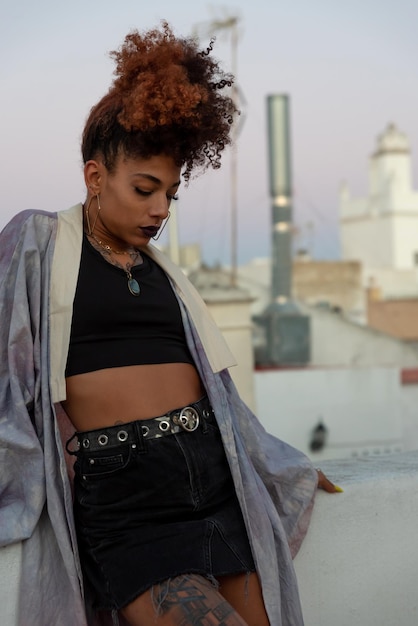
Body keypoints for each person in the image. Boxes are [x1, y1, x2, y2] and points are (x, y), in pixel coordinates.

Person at [0, 22, 339, 626]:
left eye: (170, 194)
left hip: (212, 479)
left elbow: (220, 392)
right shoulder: (38, 243)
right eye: (144, 188)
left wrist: (276, 463)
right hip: (127, 500)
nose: (159, 209)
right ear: (94, 176)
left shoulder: (162, 273)